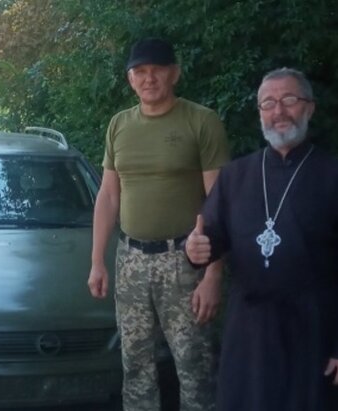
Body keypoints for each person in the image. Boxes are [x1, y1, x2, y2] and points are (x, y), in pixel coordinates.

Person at [185, 67, 338, 411]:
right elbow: (209, 238)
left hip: (313, 332)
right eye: (268, 103)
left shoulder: (337, 176)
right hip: (250, 334)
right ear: (260, 113)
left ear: (309, 107)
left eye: (289, 99)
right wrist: (194, 249)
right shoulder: (235, 175)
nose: (279, 111)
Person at [87, 37, 230, 411]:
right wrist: (97, 261)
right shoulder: (119, 124)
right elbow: (108, 196)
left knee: (194, 366)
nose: (148, 78)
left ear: (174, 74)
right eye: (140, 71)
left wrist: (213, 275)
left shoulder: (201, 121)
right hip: (130, 260)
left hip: (185, 261)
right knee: (135, 367)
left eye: (157, 70)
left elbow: (220, 202)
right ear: (130, 79)